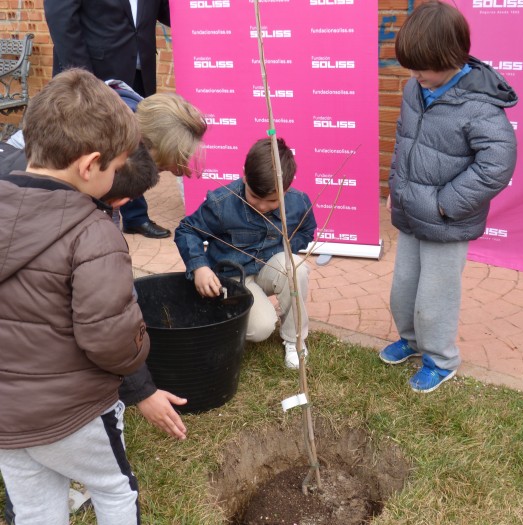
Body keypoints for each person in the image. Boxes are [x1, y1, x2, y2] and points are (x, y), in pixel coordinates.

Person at [0, 69, 148, 524]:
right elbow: (109, 339)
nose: (117, 178)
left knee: (35, 508)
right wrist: (139, 347)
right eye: (117, 168)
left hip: (6, 417)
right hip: (74, 414)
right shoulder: (93, 233)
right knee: (115, 488)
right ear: (90, 166)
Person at [380, 1, 517, 393]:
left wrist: (446, 203)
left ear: (452, 58)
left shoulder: (480, 106)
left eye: (423, 68)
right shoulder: (413, 88)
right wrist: (395, 187)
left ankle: (440, 359)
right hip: (410, 211)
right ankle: (411, 339)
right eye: (412, 67)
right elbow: (403, 144)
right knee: (405, 284)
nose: (416, 75)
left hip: (447, 220)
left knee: (435, 294)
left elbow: (497, 165)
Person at [174, 138, 317, 369]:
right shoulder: (222, 203)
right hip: (233, 276)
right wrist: (200, 266)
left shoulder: (298, 202)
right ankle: (220, 314)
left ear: (286, 189)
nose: (261, 206)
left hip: (267, 269)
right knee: (261, 328)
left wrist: (284, 248)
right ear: (244, 176)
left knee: (295, 267)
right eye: (254, 196)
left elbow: (307, 229)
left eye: (271, 200)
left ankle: (295, 340)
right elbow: (187, 230)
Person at [44, 0, 174, 239]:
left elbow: (169, 11)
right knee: (89, 148)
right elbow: (60, 19)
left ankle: (135, 217)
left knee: (134, 146)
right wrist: (85, 80)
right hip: (94, 73)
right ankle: (84, 221)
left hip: (138, 70)